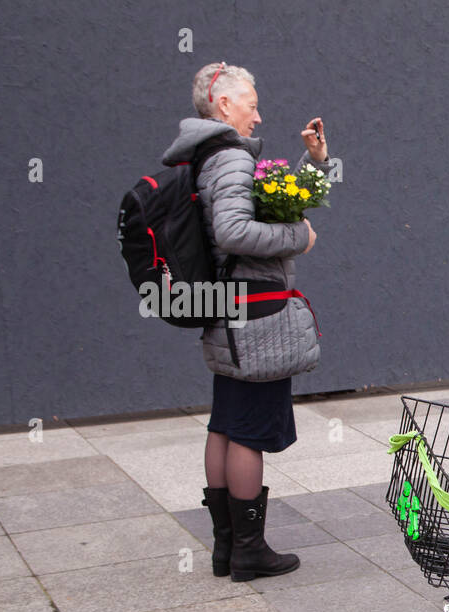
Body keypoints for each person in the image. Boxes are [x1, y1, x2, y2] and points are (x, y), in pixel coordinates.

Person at [161, 62, 331, 582]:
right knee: (249, 430)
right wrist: (299, 238)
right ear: (224, 104)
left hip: (229, 308)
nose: (258, 115)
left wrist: (314, 163)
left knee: (226, 423)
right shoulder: (232, 157)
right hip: (258, 312)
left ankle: (226, 548)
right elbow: (235, 230)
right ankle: (250, 552)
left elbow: (262, 208)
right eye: (251, 104)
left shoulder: (205, 158)